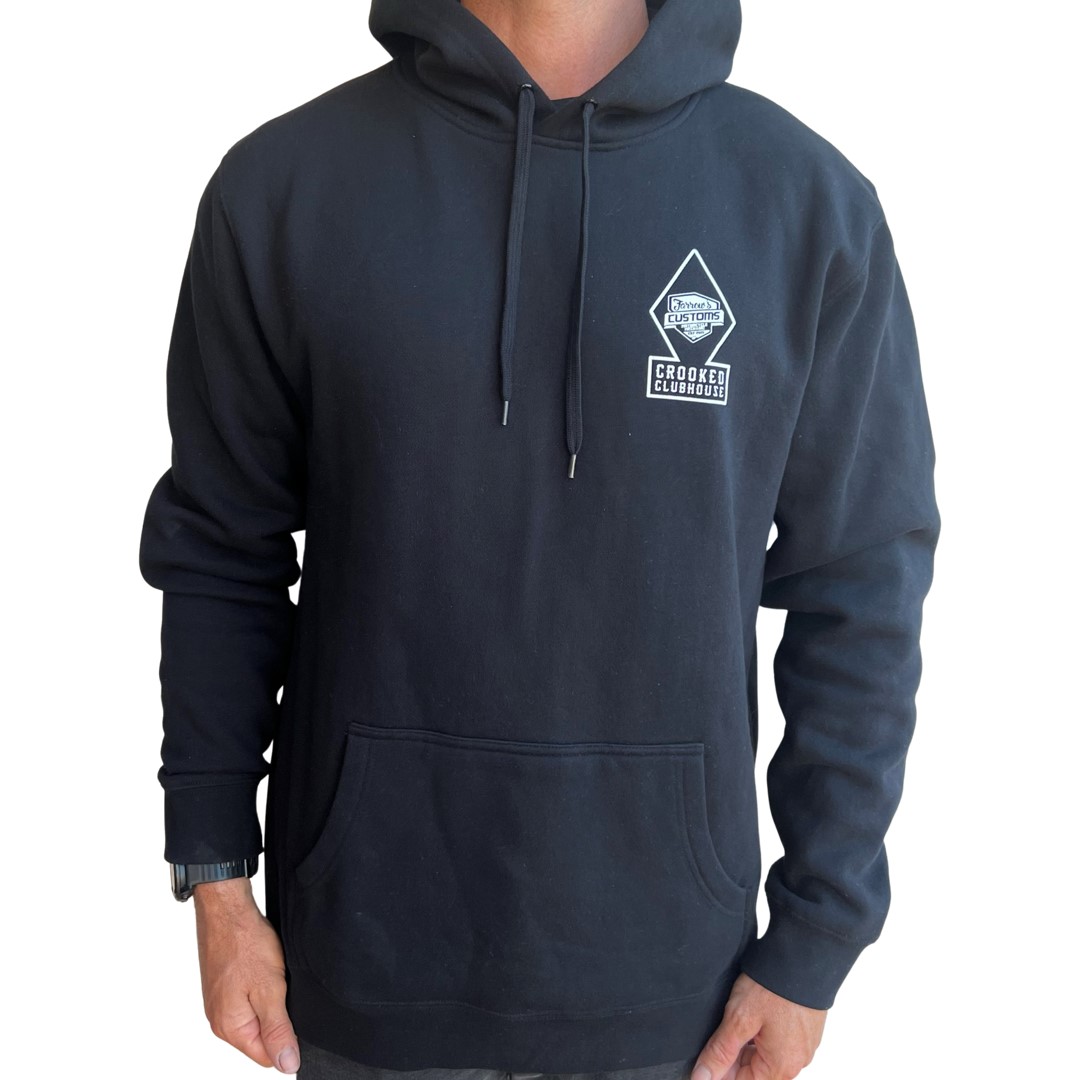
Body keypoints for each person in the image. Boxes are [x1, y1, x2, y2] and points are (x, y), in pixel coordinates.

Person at [137, 0, 941, 1076]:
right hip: (363, 975)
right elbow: (219, 552)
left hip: (678, 997)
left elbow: (862, 581)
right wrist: (215, 873)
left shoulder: (802, 204)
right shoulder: (287, 186)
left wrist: (817, 936)